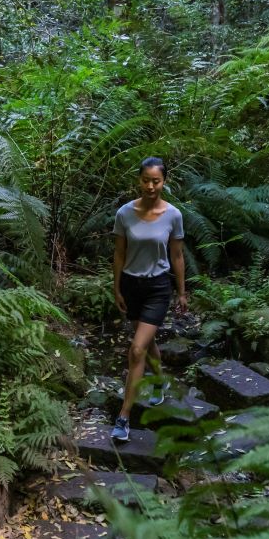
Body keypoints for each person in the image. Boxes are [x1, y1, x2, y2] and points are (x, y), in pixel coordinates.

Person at [110, 157, 188, 442]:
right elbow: (119, 253)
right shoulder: (124, 213)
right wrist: (116, 287)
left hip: (158, 287)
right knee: (148, 342)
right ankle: (159, 382)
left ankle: (123, 417)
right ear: (138, 180)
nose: (151, 186)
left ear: (164, 182)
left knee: (136, 349)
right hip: (131, 285)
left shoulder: (173, 215)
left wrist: (181, 292)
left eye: (156, 181)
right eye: (146, 180)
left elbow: (177, 255)